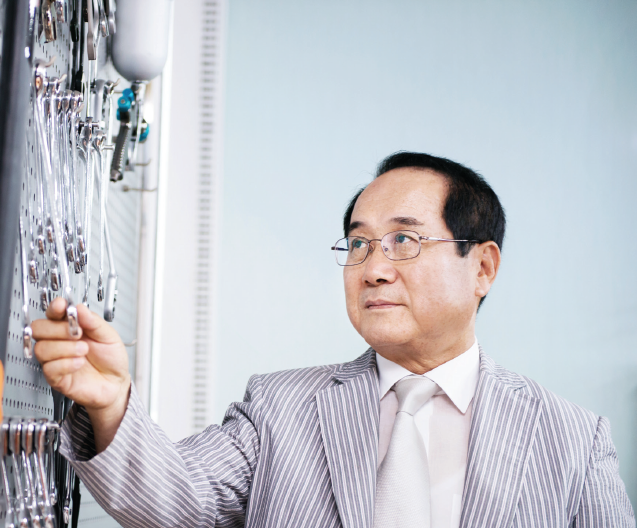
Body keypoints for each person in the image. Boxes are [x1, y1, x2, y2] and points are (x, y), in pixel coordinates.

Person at [32, 152, 634, 527]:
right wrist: (110, 403)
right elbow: (175, 500)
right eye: (359, 243)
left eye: (404, 241)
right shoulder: (279, 409)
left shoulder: (573, 442)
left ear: (482, 267)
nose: (373, 268)